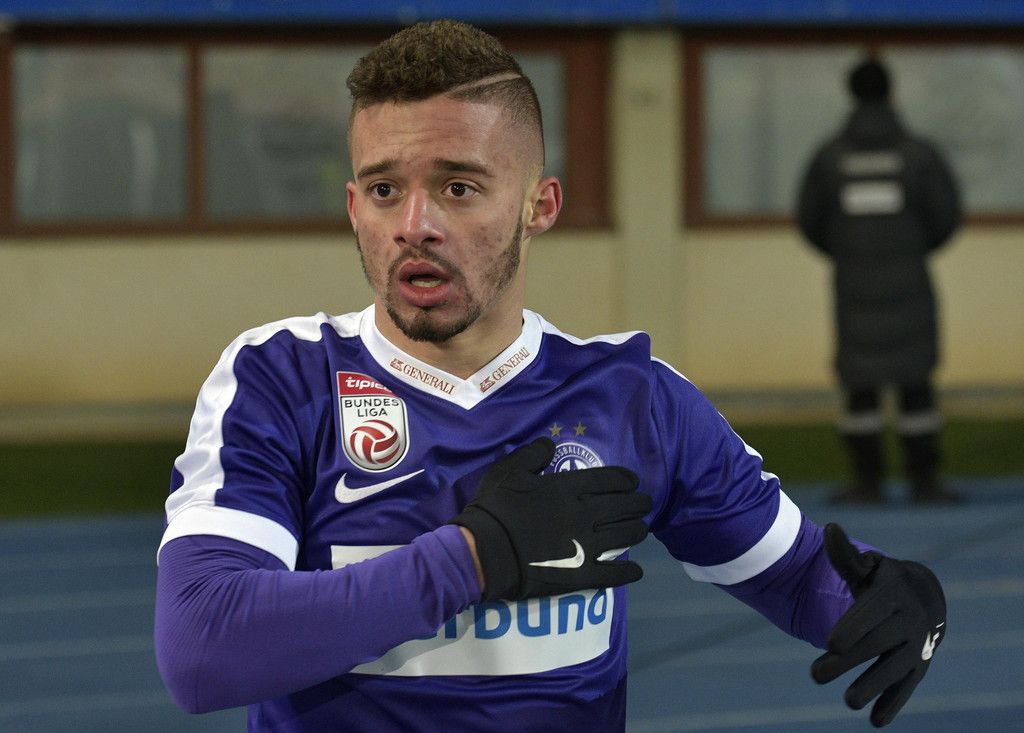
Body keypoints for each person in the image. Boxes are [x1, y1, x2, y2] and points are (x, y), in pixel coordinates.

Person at [156, 22, 947, 731]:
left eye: (458, 187)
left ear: (540, 205)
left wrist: (898, 598)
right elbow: (201, 645)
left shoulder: (634, 399)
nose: (414, 225)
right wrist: (471, 559)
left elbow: (801, 575)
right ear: (353, 204)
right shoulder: (282, 379)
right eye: (386, 189)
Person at [797, 57, 962, 505]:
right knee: (916, 384)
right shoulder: (919, 155)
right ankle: (924, 482)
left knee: (860, 387)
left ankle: (866, 482)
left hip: (853, 288)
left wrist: (851, 254)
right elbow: (946, 215)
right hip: (911, 285)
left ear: (851, 94)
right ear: (890, 92)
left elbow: (810, 220)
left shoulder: (831, 157)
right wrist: (908, 251)